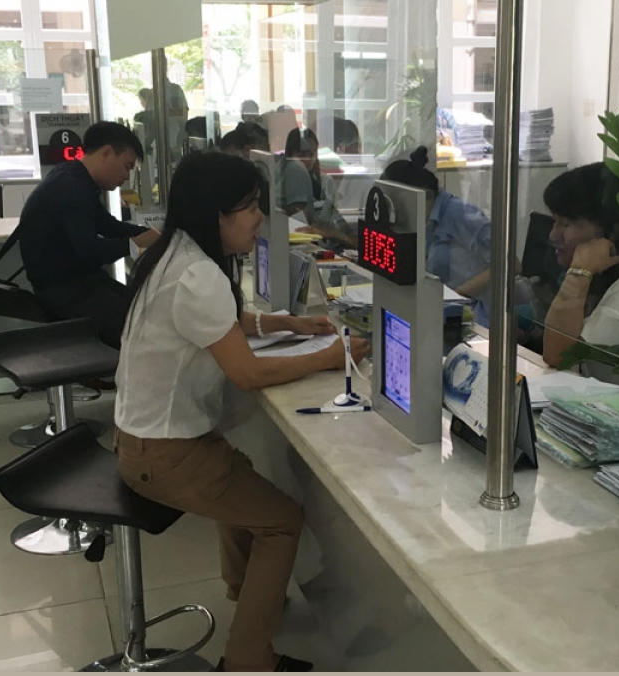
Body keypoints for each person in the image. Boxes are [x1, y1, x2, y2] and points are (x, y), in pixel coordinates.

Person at [114, 151, 368, 672]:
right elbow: (246, 374)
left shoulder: (174, 255)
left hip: (145, 441)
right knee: (282, 522)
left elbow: (221, 322)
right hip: (164, 454)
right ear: (218, 214)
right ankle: (248, 659)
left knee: (242, 479)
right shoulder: (198, 275)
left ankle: (248, 592)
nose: (259, 219)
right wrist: (329, 357)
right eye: (250, 207)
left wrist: (290, 325)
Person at [18, 121, 159, 348]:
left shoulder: (74, 177)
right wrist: (134, 243)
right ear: (107, 153)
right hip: (65, 292)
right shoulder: (71, 187)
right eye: (127, 166)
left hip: (79, 283)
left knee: (145, 307)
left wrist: (153, 235)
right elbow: (90, 251)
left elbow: (108, 226)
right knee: (145, 328)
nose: (126, 177)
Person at [539, 163, 619, 383]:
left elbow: (559, 357)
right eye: (555, 221)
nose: (553, 235)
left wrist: (578, 273)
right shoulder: (602, 277)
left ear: (610, 231)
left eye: (566, 224)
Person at [381, 146, 494, 326]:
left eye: (401, 204)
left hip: (476, 314)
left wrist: (457, 294)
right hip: (438, 308)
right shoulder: (423, 220)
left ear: (424, 195)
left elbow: (510, 265)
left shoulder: (459, 214)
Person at [280, 127, 353, 246]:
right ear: (290, 155)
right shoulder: (282, 184)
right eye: (302, 154)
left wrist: (329, 232)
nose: (308, 159)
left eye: (312, 153)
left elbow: (345, 232)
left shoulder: (325, 183)